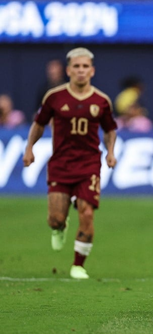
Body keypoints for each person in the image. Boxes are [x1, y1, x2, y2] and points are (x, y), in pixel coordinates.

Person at [22, 47, 118, 280]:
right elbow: (39, 124)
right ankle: (59, 226)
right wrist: (29, 148)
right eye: (76, 66)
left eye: (85, 66)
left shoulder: (101, 101)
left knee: (86, 212)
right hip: (61, 164)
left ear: (92, 71)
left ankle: (78, 265)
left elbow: (110, 129)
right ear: (68, 70)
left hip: (88, 165)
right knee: (54, 219)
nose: (81, 70)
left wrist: (110, 152)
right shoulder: (54, 97)